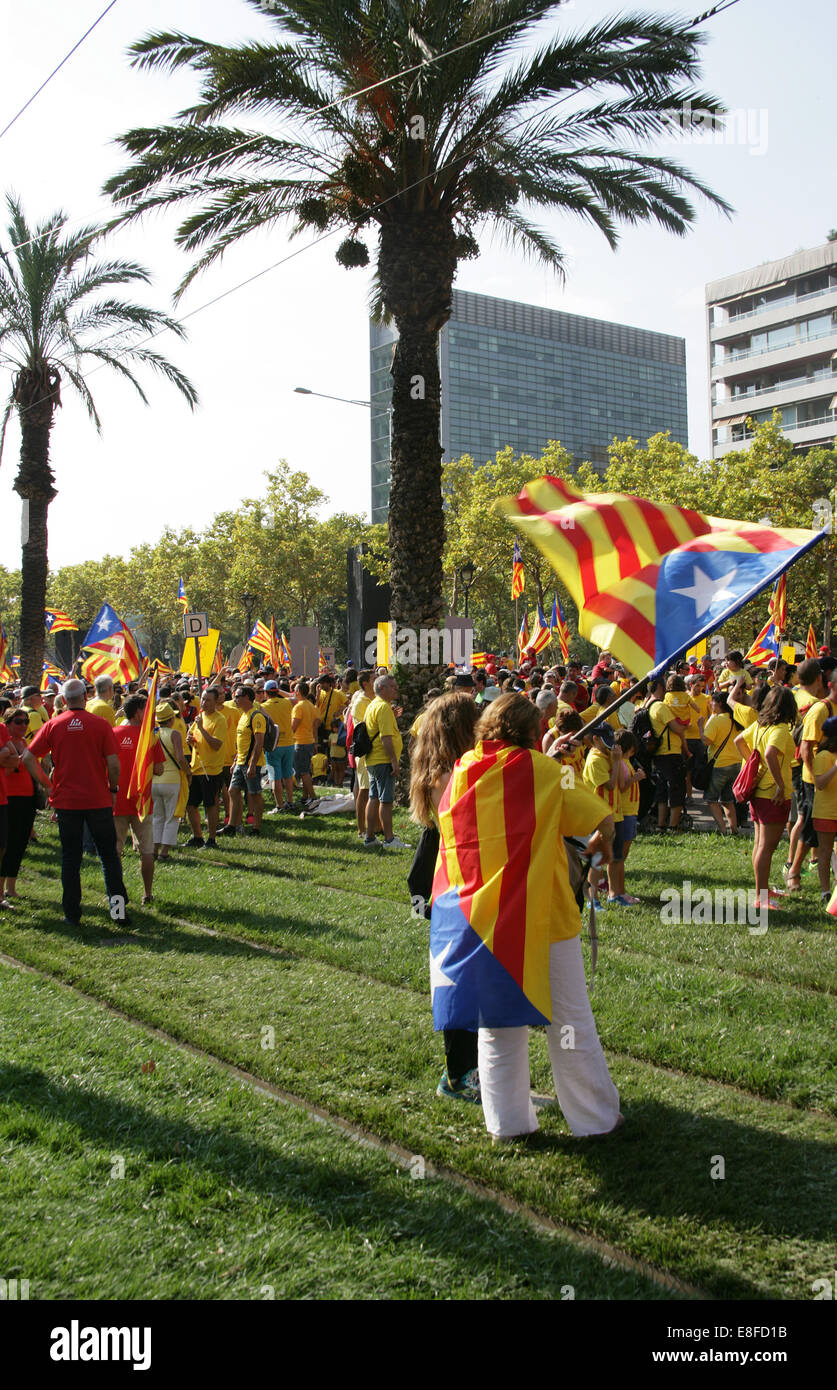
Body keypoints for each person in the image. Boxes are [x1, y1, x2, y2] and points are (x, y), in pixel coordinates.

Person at [430, 693, 621, 1143]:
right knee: (569, 1021)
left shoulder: (462, 771)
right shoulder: (544, 771)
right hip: (544, 917)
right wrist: (597, 854)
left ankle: (508, 1125)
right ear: (532, 732)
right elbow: (601, 821)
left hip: (481, 921)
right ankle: (595, 1119)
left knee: (498, 1027)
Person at [409, 691, 482, 1101]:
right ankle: (458, 1076)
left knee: (466, 978)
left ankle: (467, 1071)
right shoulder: (450, 776)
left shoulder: (438, 769)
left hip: (447, 879)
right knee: (459, 982)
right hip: (451, 882)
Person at [28, 678, 128, 926]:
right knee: (109, 857)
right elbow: (114, 764)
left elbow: (28, 757)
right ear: (85, 696)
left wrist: (47, 784)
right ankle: (118, 913)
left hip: (67, 802)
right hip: (98, 799)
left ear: (63, 699)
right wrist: (113, 787)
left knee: (71, 859)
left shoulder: (54, 724)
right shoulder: (100, 724)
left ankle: (72, 914)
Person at [733, 686, 798, 912]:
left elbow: (738, 741)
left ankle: (762, 891)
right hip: (773, 794)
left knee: (760, 845)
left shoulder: (760, 725)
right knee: (766, 848)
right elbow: (770, 754)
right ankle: (761, 897)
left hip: (759, 792)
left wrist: (753, 763)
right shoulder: (779, 729)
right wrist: (780, 785)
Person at [112, 695, 164, 904]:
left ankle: (117, 893)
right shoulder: (150, 737)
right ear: (137, 712)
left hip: (117, 800)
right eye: (147, 709)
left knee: (115, 851)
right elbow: (159, 769)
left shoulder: (113, 734)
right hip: (142, 802)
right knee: (147, 850)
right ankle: (147, 893)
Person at [0, 708, 53, 907]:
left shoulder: (23, 743)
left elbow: (34, 768)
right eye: (18, 722)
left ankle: (10, 888)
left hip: (27, 799)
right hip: (10, 799)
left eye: (25, 722)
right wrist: (13, 762)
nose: (23, 725)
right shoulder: (6, 746)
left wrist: (48, 786)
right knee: (8, 844)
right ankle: (1, 890)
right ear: (7, 724)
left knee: (20, 843)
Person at [363, 673, 408, 849]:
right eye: (392, 687)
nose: (396, 689)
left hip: (373, 759)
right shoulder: (383, 708)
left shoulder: (376, 705)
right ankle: (389, 839)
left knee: (374, 797)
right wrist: (394, 761)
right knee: (386, 800)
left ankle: (370, 837)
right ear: (381, 688)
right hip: (383, 760)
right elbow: (386, 738)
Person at [185, 686, 227, 848]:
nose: (204, 702)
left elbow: (216, 745)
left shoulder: (219, 720)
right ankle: (197, 837)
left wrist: (201, 728)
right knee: (191, 805)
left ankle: (211, 839)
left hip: (211, 769)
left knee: (210, 805)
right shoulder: (199, 717)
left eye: (208, 700)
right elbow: (195, 740)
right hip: (196, 768)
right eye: (202, 699)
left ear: (216, 701)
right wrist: (190, 739)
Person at [221, 685, 266, 836]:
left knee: (254, 794)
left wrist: (252, 764)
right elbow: (241, 742)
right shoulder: (243, 715)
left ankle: (257, 828)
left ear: (247, 697)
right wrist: (235, 762)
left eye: (238, 696)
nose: (235, 699)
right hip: (240, 762)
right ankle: (232, 825)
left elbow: (259, 743)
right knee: (232, 791)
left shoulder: (256, 716)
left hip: (251, 764)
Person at [152, 701, 190, 860]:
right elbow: (181, 758)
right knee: (172, 816)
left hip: (155, 780)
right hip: (172, 779)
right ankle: (164, 852)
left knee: (157, 816)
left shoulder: (153, 732)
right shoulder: (175, 734)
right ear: (170, 719)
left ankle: (154, 849)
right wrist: (188, 771)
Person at [700, 690, 741, 835]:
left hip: (720, 765)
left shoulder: (718, 720)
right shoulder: (735, 719)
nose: (711, 703)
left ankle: (723, 830)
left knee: (711, 799)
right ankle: (734, 829)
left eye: (713, 701)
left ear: (720, 704)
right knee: (728, 800)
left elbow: (706, 741)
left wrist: (700, 727)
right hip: (736, 763)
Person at [812, 716, 837, 905]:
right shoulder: (822, 757)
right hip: (825, 812)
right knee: (825, 852)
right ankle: (825, 891)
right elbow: (819, 784)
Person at [262, 680, 295, 813]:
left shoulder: (262, 706)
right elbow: (295, 698)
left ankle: (279, 806)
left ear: (265, 693)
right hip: (289, 744)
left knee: (274, 777)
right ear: (276, 691)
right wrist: (279, 691)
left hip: (273, 745)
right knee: (288, 775)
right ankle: (290, 801)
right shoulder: (287, 702)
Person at [290, 680, 321, 810]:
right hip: (309, 740)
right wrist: (316, 741)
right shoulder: (311, 705)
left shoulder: (299, 707)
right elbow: (316, 725)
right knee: (306, 770)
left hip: (300, 741)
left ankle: (313, 797)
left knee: (303, 772)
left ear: (297, 692)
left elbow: (294, 726)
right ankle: (305, 796)